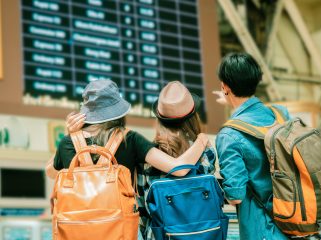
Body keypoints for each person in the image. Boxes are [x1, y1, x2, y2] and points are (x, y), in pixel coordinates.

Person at [45, 80, 210, 239]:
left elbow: (51, 172)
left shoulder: (68, 142)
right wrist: (202, 139)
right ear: (118, 111)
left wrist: (70, 135)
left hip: (77, 232)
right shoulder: (129, 139)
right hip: (120, 231)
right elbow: (179, 168)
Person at [214, 53, 290, 240]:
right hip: (295, 221)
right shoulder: (281, 114)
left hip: (263, 230)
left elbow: (236, 196)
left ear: (224, 87)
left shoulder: (229, 135)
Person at [136, 81, 216, 239]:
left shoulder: (149, 157)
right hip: (203, 233)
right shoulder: (206, 153)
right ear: (193, 118)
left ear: (160, 119)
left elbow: (143, 209)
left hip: (162, 234)